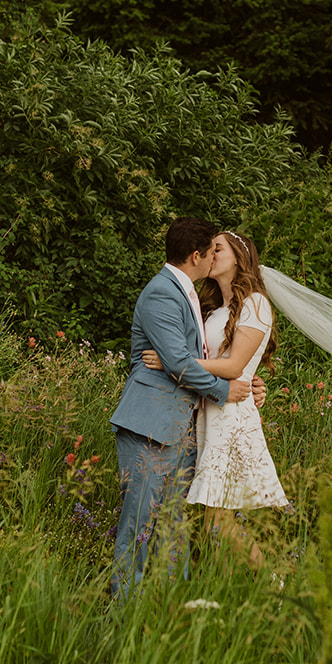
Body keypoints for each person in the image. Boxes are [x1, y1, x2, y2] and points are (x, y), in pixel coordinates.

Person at [109, 218, 264, 597]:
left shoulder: (195, 297)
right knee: (140, 521)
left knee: (173, 525)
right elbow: (179, 362)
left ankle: (169, 605)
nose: (214, 257)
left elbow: (212, 357)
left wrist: (250, 383)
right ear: (196, 256)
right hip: (151, 423)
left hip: (184, 427)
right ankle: (125, 607)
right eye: (212, 250)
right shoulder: (162, 293)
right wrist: (224, 390)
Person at [143, 231, 287, 566]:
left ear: (238, 257)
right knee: (214, 523)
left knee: (217, 523)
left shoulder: (255, 303)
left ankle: (275, 585)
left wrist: (174, 362)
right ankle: (237, 585)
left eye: (218, 248)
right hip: (208, 411)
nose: (211, 254)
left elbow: (236, 366)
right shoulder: (211, 308)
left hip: (230, 416)